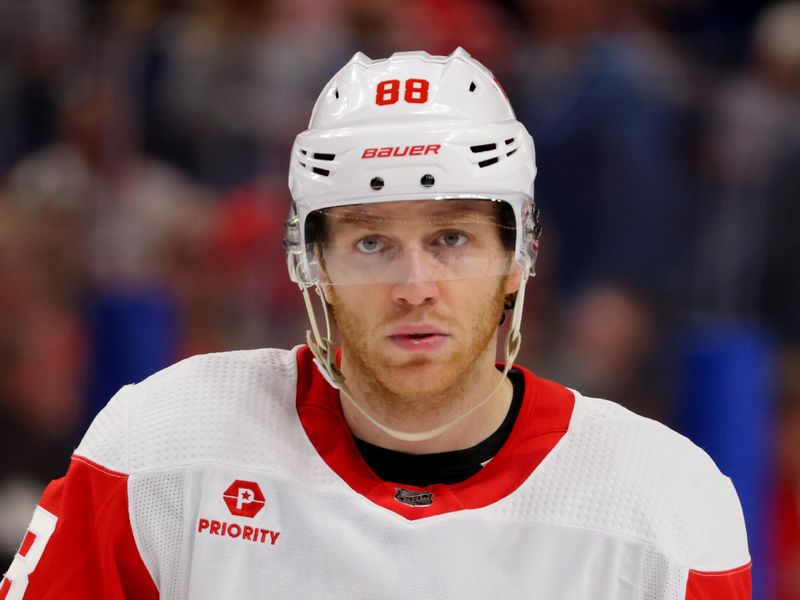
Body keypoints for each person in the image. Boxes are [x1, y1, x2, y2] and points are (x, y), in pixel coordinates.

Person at [2, 48, 750, 599]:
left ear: (519, 256)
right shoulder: (163, 450)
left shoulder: (661, 507)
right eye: (371, 243)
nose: (414, 286)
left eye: (451, 239)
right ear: (312, 263)